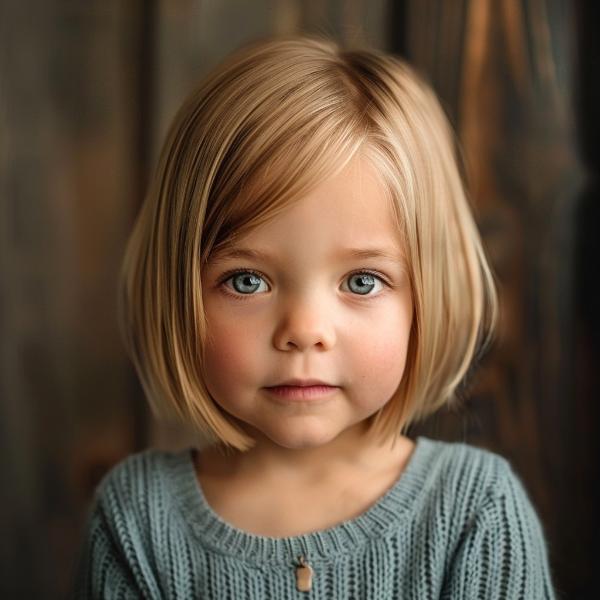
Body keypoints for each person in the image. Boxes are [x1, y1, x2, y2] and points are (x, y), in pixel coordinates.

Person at [70, 34, 558, 599]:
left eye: (361, 282)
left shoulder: (475, 514)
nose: (303, 330)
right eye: (246, 281)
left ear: (425, 299)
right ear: (180, 293)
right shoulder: (135, 522)